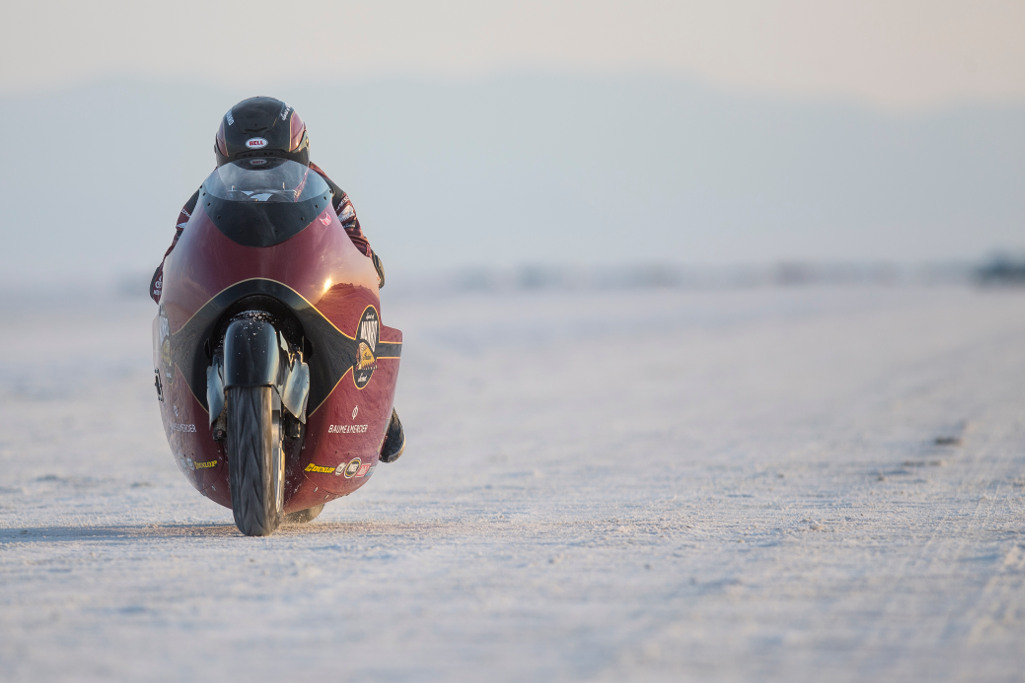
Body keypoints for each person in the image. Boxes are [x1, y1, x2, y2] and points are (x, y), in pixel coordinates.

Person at [150, 96, 404, 464]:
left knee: (355, 319)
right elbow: (176, 251)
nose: (261, 175)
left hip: (302, 287)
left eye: (274, 163)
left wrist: (364, 265)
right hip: (229, 289)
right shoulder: (203, 200)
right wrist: (170, 276)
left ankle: (373, 404)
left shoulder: (329, 194)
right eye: (245, 165)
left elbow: (358, 247)